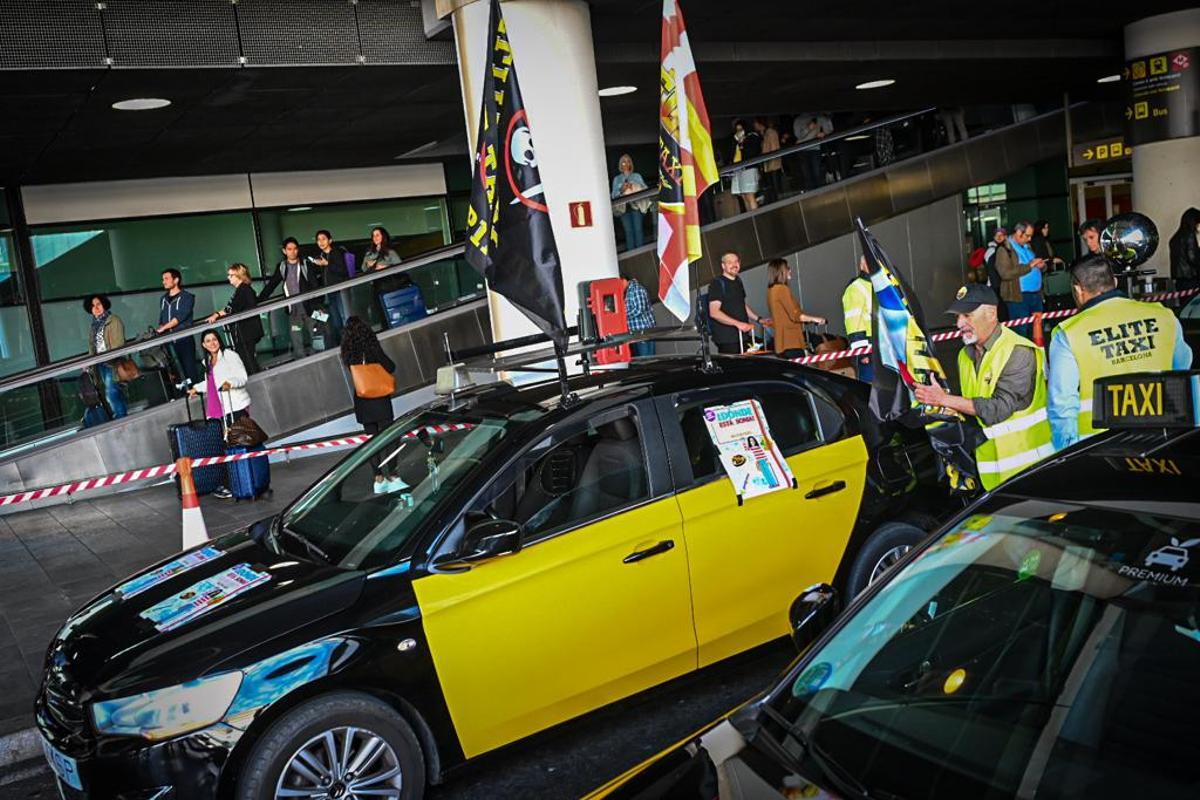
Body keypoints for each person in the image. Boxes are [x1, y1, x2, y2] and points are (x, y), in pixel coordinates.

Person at [913, 284, 1053, 490]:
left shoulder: (1019, 352)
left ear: (991, 313)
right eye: (957, 317)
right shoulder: (964, 355)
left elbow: (998, 409)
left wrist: (944, 399)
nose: (959, 323)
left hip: (1027, 468)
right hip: (990, 471)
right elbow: (971, 404)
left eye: (967, 315)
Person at [1047, 254, 1193, 451]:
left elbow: (1062, 405)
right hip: (1163, 436)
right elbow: (1183, 369)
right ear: (1114, 281)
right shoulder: (1163, 316)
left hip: (1101, 446)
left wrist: (1066, 453)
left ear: (1077, 289)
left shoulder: (1069, 333)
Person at [340, 316, 403, 493]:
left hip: (362, 399)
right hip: (380, 399)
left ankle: (378, 479)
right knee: (390, 438)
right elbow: (390, 366)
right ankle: (394, 476)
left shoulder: (348, 354)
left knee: (371, 440)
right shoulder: (372, 349)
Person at [188, 329, 251, 500]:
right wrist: (196, 388)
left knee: (239, 446)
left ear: (219, 340)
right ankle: (234, 484)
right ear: (203, 345)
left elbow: (242, 377)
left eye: (214, 339)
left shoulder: (229, 355)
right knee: (225, 448)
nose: (212, 343)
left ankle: (246, 482)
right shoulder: (208, 361)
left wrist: (230, 383)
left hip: (235, 407)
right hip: (219, 410)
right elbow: (211, 383)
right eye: (208, 341)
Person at [258, 237, 319, 359]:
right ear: (284, 251)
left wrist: (318, 305)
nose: (293, 252)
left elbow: (315, 285)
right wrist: (259, 300)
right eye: (289, 249)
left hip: (310, 308)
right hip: (294, 311)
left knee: (316, 333)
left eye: (295, 249)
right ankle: (301, 361)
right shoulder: (282, 267)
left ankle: (319, 357)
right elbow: (272, 285)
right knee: (296, 336)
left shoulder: (305, 264)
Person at [206, 263, 263, 374]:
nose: (228, 277)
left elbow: (231, 308)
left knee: (247, 359)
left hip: (247, 332)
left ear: (239, 275)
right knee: (248, 358)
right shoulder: (242, 290)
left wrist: (217, 314)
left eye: (231, 275)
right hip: (246, 332)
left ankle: (255, 382)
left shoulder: (244, 290)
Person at [994, 221, 1047, 337]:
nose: (1029, 239)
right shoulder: (1004, 250)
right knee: (1021, 332)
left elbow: (1034, 265)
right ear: (1018, 233)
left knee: (1038, 331)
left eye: (1031, 236)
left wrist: (1042, 266)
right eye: (1027, 236)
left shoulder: (1027, 246)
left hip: (1036, 295)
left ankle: (1039, 354)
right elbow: (1005, 273)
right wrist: (1029, 266)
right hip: (1018, 298)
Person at [708, 251, 767, 354]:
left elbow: (741, 305)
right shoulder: (717, 284)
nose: (734, 265)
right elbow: (714, 312)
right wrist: (738, 324)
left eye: (736, 261)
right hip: (728, 340)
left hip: (742, 336)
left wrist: (758, 319)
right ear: (723, 265)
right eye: (730, 262)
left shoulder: (738, 281)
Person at [766, 259, 824, 357]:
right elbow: (795, 315)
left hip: (781, 343)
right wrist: (815, 319)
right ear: (781, 271)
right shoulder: (782, 289)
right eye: (788, 268)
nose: (790, 270)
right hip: (791, 342)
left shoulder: (771, 290)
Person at [84, 293, 128, 420]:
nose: (96, 308)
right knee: (114, 391)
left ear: (104, 304)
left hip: (112, 362)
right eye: (92, 306)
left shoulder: (113, 320)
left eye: (98, 304)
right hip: (100, 363)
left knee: (111, 392)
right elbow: (92, 346)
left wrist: (111, 357)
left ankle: (121, 418)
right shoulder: (94, 325)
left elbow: (118, 343)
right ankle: (123, 415)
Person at [156, 267, 199, 387]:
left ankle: (195, 392)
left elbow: (180, 317)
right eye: (162, 279)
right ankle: (182, 394)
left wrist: (164, 328)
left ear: (176, 280)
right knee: (175, 372)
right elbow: (162, 318)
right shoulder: (163, 299)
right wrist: (161, 328)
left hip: (183, 339)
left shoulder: (187, 297)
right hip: (168, 342)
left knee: (189, 368)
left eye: (166, 278)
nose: (163, 281)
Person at [311, 229, 352, 345]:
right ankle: (344, 343)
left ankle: (351, 342)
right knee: (336, 320)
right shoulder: (322, 256)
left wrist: (327, 264)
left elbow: (342, 271)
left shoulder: (336, 252)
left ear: (330, 240)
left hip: (340, 290)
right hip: (330, 292)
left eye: (323, 239)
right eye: (318, 240)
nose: (321, 242)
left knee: (345, 317)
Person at [842, 255, 874, 381]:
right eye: (869, 261)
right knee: (870, 394)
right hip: (869, 351)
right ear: (861, 266)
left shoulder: (880, 285)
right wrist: (862, 352)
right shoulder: (855, 288)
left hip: (885, 349)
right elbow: (854, 323)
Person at [611, 154, 649, 250]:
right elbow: (613, 195)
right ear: (620, 164)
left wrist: (634, 187)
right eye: (623, 161)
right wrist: (621, 190)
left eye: (628, 161)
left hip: (636, 206)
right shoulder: (617, 179)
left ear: (630, 163)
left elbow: (645, 189)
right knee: (628, 232)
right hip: (623, 208)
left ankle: (641, 253)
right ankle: (631, 255)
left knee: (638, 229)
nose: (626, 163)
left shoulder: (636, 176)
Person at [729, 119, 761, 212]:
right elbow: (730, 153)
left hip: (748, 168)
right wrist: (736, 141)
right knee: (743, 195)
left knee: (749, 194)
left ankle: (756, 216)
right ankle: (750, 217)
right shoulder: (735, 139)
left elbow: (753, 152)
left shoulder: (752, 136)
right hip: (737, 168)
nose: (739, 132)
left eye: (741, 129)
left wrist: (743, 143)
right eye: (737, 129)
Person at [1169, 207, 1200, 291]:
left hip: (1179, 280)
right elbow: (1193, 258)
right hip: (1191, 278)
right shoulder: (1189, 235)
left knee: (1184, 302)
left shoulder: (1175, 237)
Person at [624, 276, 656, 357]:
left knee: (646, 359)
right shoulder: (628, 292)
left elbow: (639, 309)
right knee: (640, 360)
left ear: (624, 280)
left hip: (643, 331)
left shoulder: (637, 289)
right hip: (635, 333)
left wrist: (623, 316)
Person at [756, 117, 784, 203]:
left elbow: (773, 147)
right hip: (771, 161)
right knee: (773, 184)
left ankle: (777, 201)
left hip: (772, 162)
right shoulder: (767, 133)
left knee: (774, 184)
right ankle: (776, 200)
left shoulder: (770, 133)